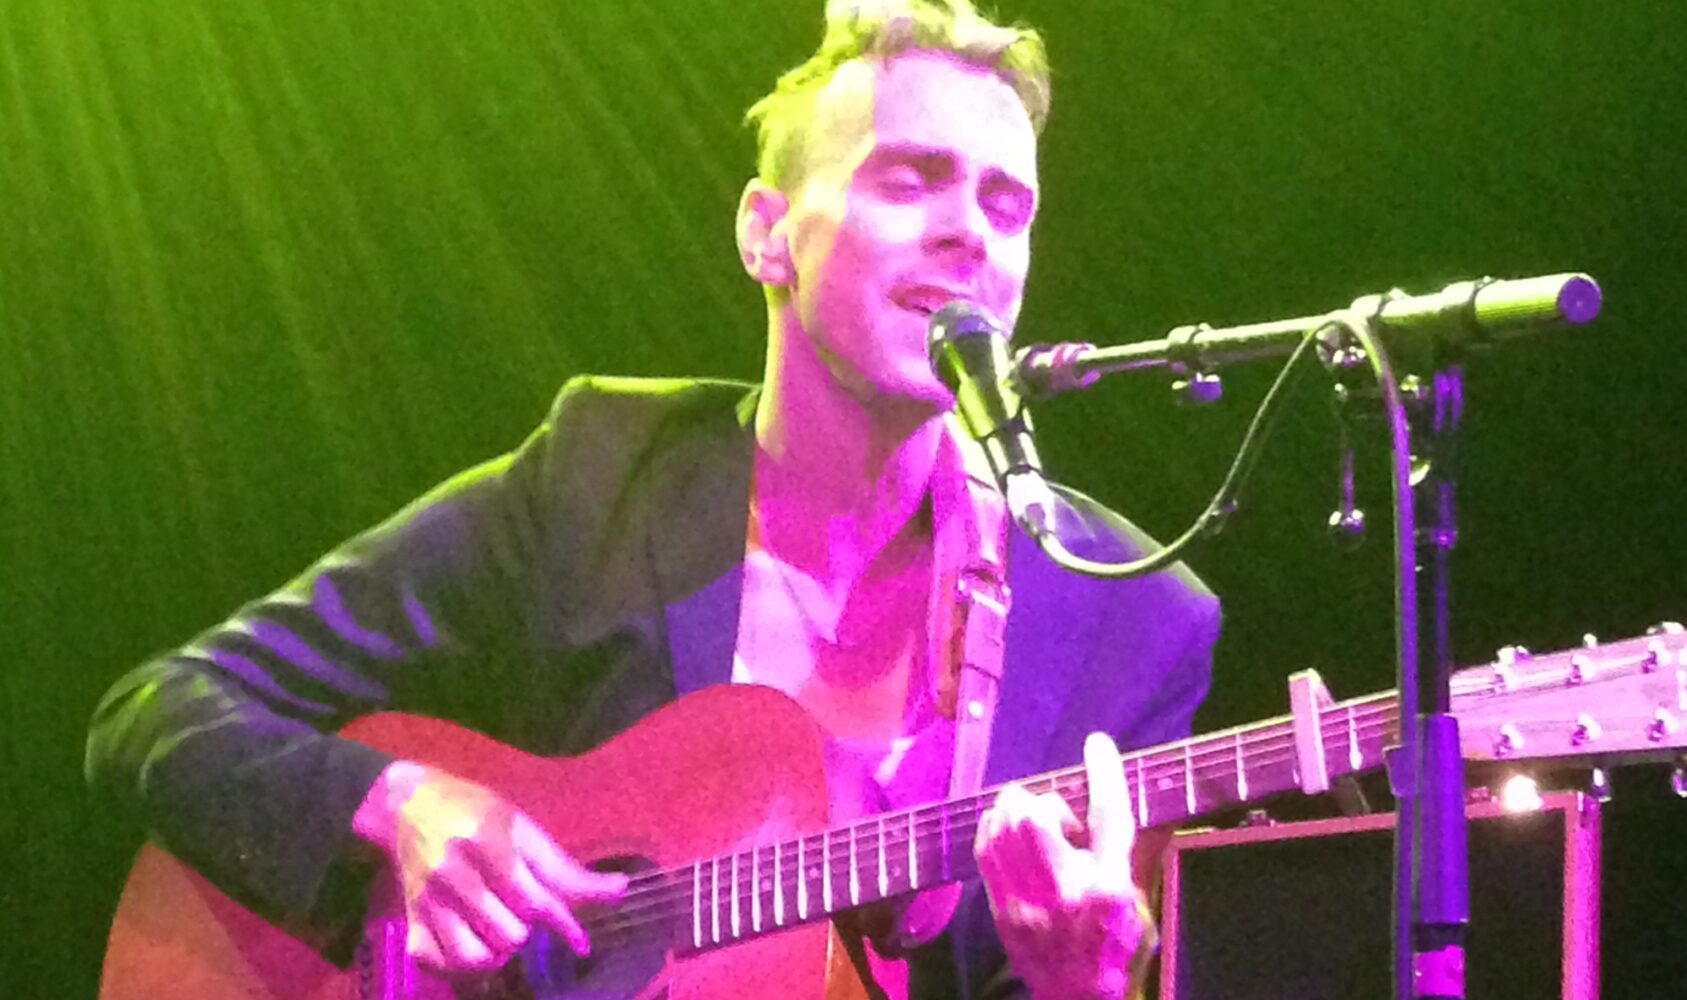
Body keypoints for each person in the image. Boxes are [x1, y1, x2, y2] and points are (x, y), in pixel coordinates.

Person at [85, 1, 1220, 997]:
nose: (968, 231)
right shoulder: (603, 475)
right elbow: (158, 711)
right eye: (908, 178)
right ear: (766, 235)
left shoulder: (1126, 615)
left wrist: (1085, 986)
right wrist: (393, 803)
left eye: (1007, 205)